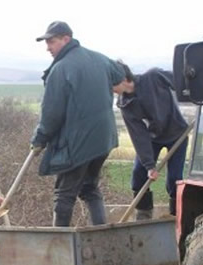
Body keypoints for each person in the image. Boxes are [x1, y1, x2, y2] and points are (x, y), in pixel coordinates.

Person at [31, 21, 125, 226]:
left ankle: (60, 240)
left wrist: (39, 139)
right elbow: (120, 75)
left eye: (51, 42)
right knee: (89, 188)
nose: (48, 47)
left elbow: (51, 113)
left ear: (66, 39)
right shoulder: (100, 59)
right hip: (104, 140)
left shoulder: (61, 69)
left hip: (78, 142)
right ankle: (101, 235)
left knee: (64, 194)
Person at [114, 62, 189, 219]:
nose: (110, 89)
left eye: (111, 84)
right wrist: (149, 165)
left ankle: (177, 217)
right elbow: (138, 135)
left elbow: (181, 83)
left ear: (123, 79)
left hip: (178, 133)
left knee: (174, 179)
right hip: (154, 137)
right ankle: (143, 216)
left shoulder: (154, 77)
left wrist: (196, 95)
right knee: (139, 174)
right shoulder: (125, 104)